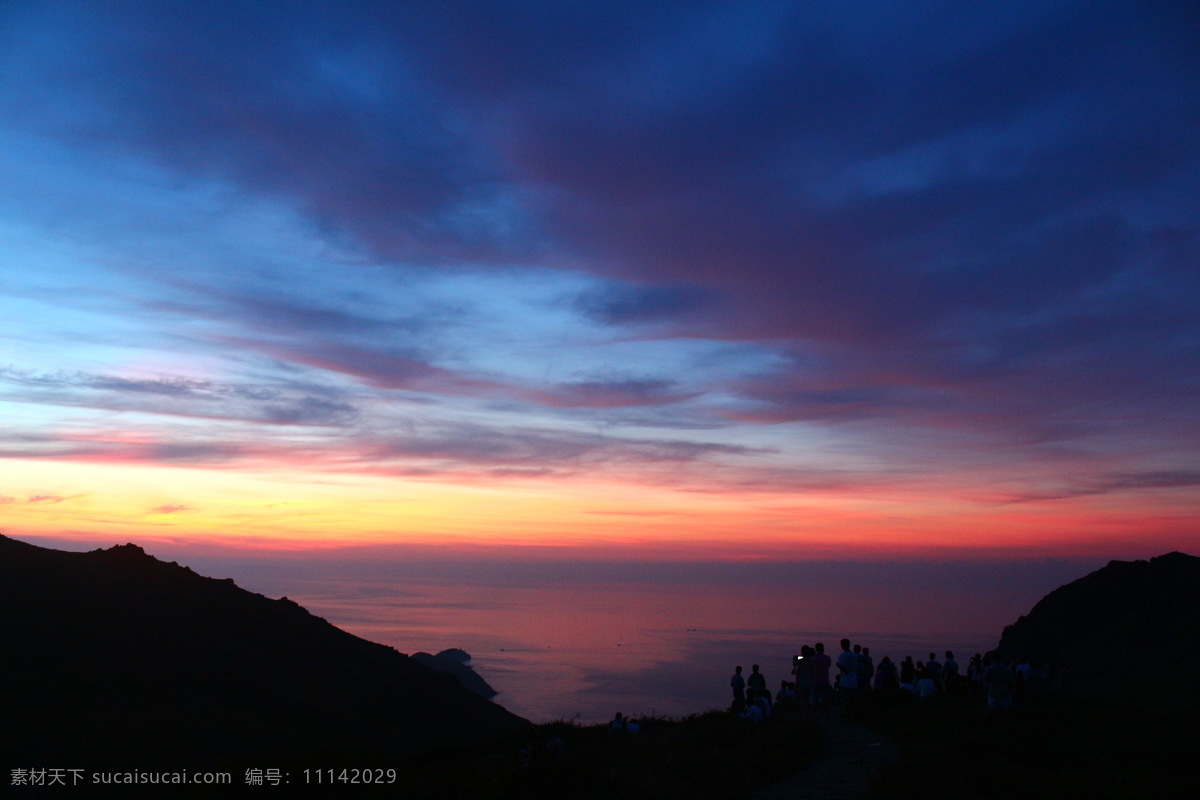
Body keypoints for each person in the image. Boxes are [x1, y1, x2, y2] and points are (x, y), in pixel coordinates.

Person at [810, 643, 832, 717]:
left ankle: (815, 714)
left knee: (815, 699)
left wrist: (802, 656)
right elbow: (828, 666)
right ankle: (826, 713)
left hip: (816, 680)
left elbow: (800, 658)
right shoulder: (827, 658)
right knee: (825, 698)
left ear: (816, 649)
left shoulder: (813, 659)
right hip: (825, 680)